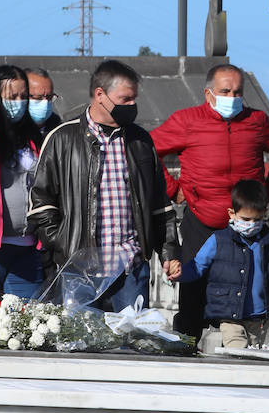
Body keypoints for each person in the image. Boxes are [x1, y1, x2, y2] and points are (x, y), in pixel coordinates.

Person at [151, 63, 269, 342]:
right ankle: (185, 359)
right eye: (225, 91)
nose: (232, 97)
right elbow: (148, 151)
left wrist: (266, 195)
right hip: (201, 223)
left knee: (248, 294)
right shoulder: (186, 120)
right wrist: (174, 189)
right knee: (192, 299)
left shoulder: (257, 121)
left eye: (238, 91)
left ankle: (245, 356)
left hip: (246, 227)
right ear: (208, 94)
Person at [29, 60, 180, 311]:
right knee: (79, 344)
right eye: (125, 99)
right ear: (100, 95)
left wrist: (169, 251)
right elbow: (41, 205)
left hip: (130, 271)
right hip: (79, 272)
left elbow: (159, 205)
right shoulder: (62, 139)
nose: (132, 106)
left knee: (131, 345)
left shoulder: (140, 141)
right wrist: (65, 245)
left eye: (134, 99)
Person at [172, 179, 269, 349]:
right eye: (245, 219)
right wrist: (180, 272)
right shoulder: (218, 240)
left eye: (257, 220)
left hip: (260, 318)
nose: (251, 225)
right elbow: (198, 266)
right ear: (232, 213)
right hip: (230, 315)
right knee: (238, 352)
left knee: (254, 358)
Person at [0, 66, 44, 298]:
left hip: (27, 249)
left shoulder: (33, 137)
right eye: (11, 97)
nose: (19, 102)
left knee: (24, 322)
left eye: (23, 96)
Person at [24, 67, 62, 146]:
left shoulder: (61, 133)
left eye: (49, 97)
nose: (45, 103)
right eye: (38, 97)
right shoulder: (7, 133)